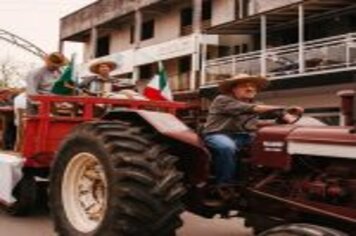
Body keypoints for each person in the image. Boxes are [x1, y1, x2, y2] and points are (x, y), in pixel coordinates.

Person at [202, 73, 303, 185]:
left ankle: (267, 177)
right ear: (234, 89)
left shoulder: (257, 104)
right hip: (218, 134)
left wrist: (284, 118)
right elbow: (252, 109)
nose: (250, 88)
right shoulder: (222, 99)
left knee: (274, 143)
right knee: (227, 147)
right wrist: (285, 109)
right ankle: (224, 183)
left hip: (244, 136)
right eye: (244, 86)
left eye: (253, 86)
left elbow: (270, 114)